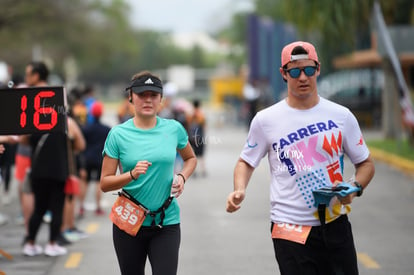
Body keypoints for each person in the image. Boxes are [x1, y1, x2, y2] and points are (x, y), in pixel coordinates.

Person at [226, 41, 375, 275]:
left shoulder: (342, 116)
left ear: (318, 69)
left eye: (308, 70)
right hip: (289, 228)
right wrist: (239, 189)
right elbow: (246, 161)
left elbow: (365, 163)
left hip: (335, 224)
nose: (302, 77)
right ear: (283, 73)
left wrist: (354, 188)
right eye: (294, 71)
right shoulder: (266, 120)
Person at [100, 71, 197, 275]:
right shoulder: (118, 134)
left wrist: (182, 176)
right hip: (129, 222)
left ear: (161, 99)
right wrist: (131, 175)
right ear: (131, 97)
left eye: (153, 95)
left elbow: (190, 158)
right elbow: (105, 183)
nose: (147, 99)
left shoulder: (173, 129)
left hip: (166, 221)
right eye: (142, 94)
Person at [79, 101, 110, 216]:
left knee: (84, 182)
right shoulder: (106, 129)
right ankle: (98, 207)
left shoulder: (86, 129)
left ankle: (81, 206)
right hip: (100, 158)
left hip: (87, 158)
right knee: (98, 182)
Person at [188, 99, 207, 177]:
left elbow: (188, 125)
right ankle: (203, 170)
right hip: (200, 137)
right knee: (201, 155)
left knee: (194, 155)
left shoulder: (190, 115)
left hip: (192, 137)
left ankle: (194, 171)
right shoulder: (201, 115)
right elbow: (204, 126)